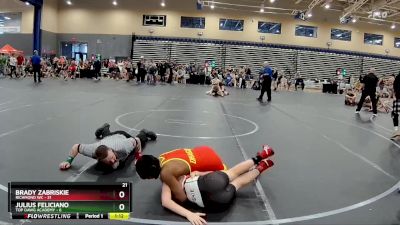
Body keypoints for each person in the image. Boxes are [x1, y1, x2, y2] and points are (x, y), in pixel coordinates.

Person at [135, 145, 274, 224]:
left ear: (151, 174)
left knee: (237, 183)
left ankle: (261, 167)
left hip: (214, 200)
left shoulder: (166, 176)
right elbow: (194, 172)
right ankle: (261, 156)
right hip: (207, 160)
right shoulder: (164, 156)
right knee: (233, 173)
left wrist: (189, 214)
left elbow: (172, 200)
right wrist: (199, 174)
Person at [59, 123, 157, 171]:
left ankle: (144, 132)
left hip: (122, 136)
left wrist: (138, 156)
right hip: (108, 138)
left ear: (112, 151)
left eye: (112, 158)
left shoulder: (124, 147)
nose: (112, 161)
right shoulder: (93, 150)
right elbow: (76, 146)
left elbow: (137, 141)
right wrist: (68, 161)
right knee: (107, 135)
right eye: (109, 161)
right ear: (98, 158)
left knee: (141, 140)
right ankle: (105, 127)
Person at [391, 72, 400, 139]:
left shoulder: (398, 76)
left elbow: (394, 86)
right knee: (394, 114)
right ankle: (397, 131)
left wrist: (394, 96)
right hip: (398, 97)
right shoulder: (398, 77)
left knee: (395, 114)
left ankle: (396, 131)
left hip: (398, 98)